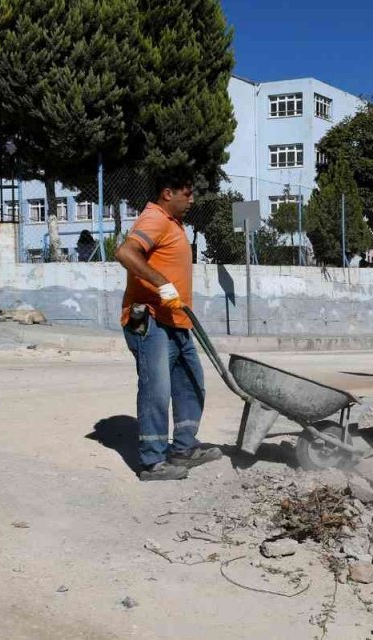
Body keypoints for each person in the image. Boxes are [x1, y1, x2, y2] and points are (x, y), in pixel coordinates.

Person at [114, 169, 220, 482]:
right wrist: (162, 284)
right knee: (156, 389)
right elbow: (125, 252)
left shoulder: (173, 223)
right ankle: (152, 462)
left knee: (190, 382)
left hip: (175, 319)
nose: (191, 199)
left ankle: (184, 449)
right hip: (150, 320)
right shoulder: (155, 218)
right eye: (186, 193)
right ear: (166, 193)